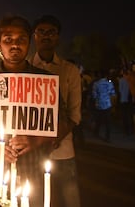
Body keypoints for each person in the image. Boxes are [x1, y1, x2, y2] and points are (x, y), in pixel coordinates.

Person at [30, 14, 81, 207]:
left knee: (70, 200)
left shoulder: (70, 70)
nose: (46, 36)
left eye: (51, 32)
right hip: (30, 152)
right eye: (41, 32)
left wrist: (55, 138)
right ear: (34, 36)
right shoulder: (23, 69)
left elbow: (75, 114)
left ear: (58, 37)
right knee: (34, 200)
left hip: (63, 149)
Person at [92, 69, 116, 142]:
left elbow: (94, 95)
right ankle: (107, 136)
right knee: (108, 121)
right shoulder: (110, 83)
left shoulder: (96, 84)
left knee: (98, 119)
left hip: (99, 104)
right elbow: (113, 93)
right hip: (107, 104)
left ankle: (96, 132)